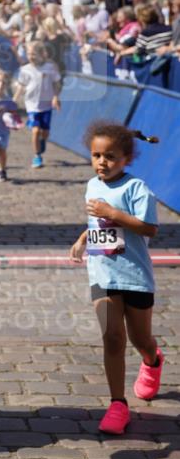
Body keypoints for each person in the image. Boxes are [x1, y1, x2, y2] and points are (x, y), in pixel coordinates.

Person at [69, 122, 163, 435]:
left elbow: (149, 229)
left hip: (135, 276)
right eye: (96, 155)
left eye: (110, 156)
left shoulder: (136, 189)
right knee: (112, 337)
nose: (101, 162)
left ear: (126, 158)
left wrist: (114, 213)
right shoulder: (91, 185)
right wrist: (83, 238)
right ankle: (117, 404)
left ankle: (152, 360)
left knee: (140, 339)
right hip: (102, 272)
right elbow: (98, 224)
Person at [14, 42, 61, 169]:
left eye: (34, 54)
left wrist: (56, 97)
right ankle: (37, 156)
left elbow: (56, 83)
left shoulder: (50, 67)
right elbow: (21, 86)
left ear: (42, 54)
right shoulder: (25, 69)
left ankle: (42, 142)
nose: (31, 56)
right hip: (32, 105)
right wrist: (14, 100)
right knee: (35, 131)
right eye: (29, 54)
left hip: (46, 105)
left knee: (45, 132)